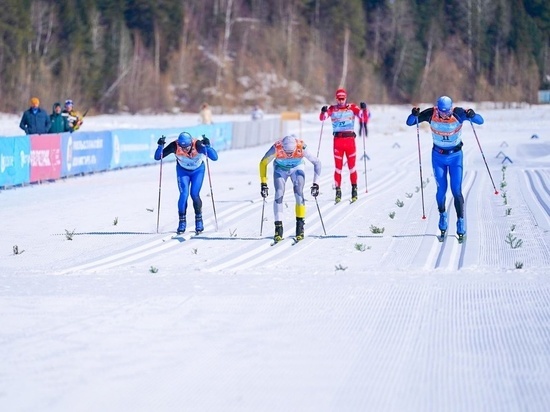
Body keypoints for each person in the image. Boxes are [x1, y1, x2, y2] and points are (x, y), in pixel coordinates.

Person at [406, 95, 484, 239]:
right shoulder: (431, 113)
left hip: (455, 157)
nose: (444, 115)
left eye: (447, 112)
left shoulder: (458, 113)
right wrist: (414, 114)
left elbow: (480, 120)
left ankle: (460, 222)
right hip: (438, 157)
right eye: (442, 112)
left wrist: (472, 115)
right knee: (441, 190)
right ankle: (442, 214)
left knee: (456, 190)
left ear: (451, 108)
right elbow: (410, 123)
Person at [259, 134, 321, 242]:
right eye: (286, 152)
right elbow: (263, 163)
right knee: (279, 193)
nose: (288, 155)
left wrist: (316, 183)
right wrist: (263, 184)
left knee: (298, 191)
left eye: (290, 152)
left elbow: (317, 162)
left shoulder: (301, 147)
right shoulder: (276, 147)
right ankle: (278, 228)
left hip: (297, 168)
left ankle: (300, 227)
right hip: (280, 169)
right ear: (282, 146)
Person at [154, 132, 218, 234]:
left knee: (194, 194)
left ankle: (199, 220)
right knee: (184, 194)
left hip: (197, 171)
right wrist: (160, 146)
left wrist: (208, 146)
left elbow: (215, 158)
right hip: (182, 171)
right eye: (182, 147)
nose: (184, 149)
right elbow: (158, 157)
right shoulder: (174, 145)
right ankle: (182, 222)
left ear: (191, 144)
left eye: (186, 147)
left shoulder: (197, 144)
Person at [319, 88, 368, 203]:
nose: (341, 101)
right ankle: (338, 191)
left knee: (352, 168)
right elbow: (322, 118)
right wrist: (322, 112)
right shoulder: (332, 109)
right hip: (338, 142)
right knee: (338, 168)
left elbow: (363, 117)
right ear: (336, 99)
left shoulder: (352, 107)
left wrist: (364, 109)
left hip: (350, 141)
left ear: (346, 98)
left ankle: (354, 190)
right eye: (339, 99)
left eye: (343, 99)